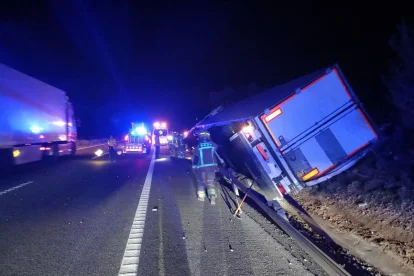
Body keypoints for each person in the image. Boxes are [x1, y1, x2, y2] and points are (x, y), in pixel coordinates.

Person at [192, 130, 218, 205]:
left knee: (201, 183)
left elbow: (196, 158)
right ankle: (212, 197)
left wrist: (194, 168)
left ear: (200, 137)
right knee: (210, 182)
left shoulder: (198, 146)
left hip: (201, 168)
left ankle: (201, 197)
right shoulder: (213, 144)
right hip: (211, 168)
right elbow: (216, 153)